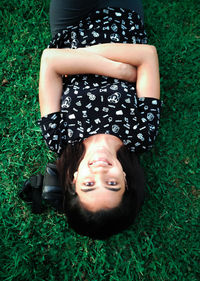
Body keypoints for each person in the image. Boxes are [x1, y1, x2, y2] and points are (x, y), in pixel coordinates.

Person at [38, 0, 161, 239]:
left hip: (71, 24)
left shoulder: (58, 139)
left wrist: (119, 70)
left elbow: (49, 61)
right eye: (112, 184)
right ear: (126, 181)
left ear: (74, 181)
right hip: (124, 20)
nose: (100, 173)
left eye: (89, 185)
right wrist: (71, 60)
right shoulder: (142, 135)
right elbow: (147, 55)